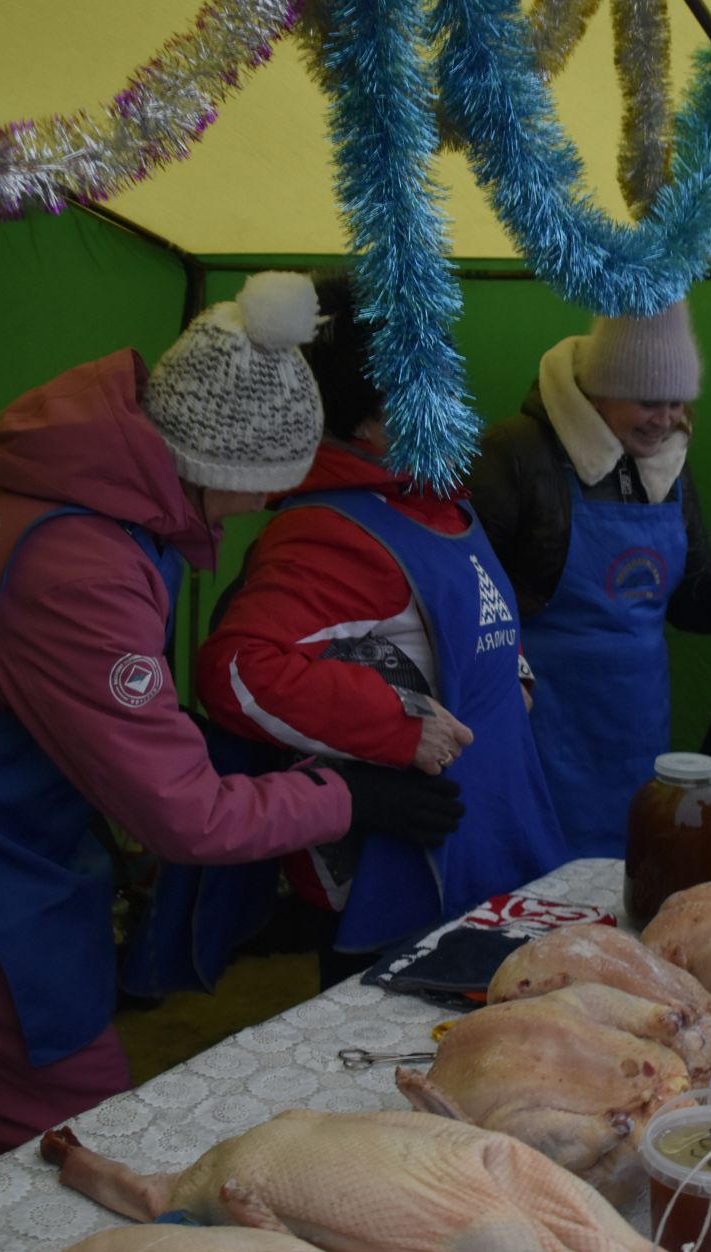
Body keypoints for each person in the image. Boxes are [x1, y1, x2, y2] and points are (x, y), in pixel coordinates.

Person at [0, 274, 458, 1165]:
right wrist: (346, 796)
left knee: (2, 1096)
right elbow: (182, 813)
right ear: (211, 468)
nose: (255, 512)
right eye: (256, 490)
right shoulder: (81, 566)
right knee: (77, 1120)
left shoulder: (79, 478)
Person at [197, 272, 562, 959]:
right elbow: (237, 669)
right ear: (366, 420)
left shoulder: (442, 504)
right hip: (405, 875)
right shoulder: (329, 530)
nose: (455, 405)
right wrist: (397, 727)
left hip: (494, 842)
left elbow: (465, 620)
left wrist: (509, 676)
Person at [468, 301, 711, 858]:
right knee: (536, 868)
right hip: (543, 718)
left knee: (623, 866)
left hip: (635, 722)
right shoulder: (514, 453)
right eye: (648, 402)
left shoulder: (668, 461)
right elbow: (469, 589)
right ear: (599, 390)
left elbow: (689, 587)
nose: (664, 419)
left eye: (676, 403)